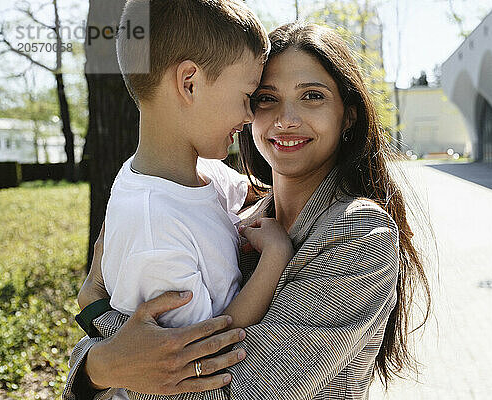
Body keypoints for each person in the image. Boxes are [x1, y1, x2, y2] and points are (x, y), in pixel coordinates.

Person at [63, 21, 431, 400]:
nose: (286, 119)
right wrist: (98, 364)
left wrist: (98, 320)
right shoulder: (229, 213)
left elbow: (226, 392)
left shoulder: (360, 234)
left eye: (312, 96)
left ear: (348, 114)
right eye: (266, 98)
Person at [70, 0, 299, 398]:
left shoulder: (195, 173)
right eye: (247, 96)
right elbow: (205, 350)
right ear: (189, 82)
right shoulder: (155, 226)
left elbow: (245, 189)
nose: (249, 117)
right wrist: (275, 257)